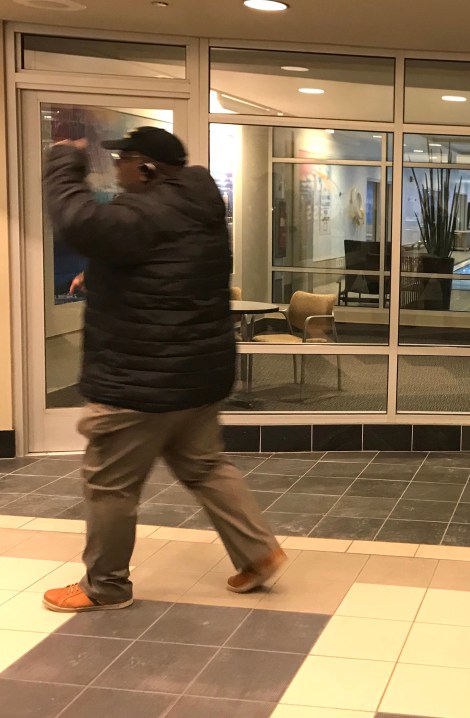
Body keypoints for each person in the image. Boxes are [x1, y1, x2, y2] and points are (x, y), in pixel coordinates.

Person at [41, 127, 284, 613]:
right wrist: (104, 273)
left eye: (124, 160)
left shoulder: (145, 210)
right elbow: (161, 263)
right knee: (206, 466)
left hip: (141, 381)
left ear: (148, 168)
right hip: (196, 377)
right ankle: (258, 555)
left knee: (109, 484)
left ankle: (104, 586)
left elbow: (77, 220)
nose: (117, 170)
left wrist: (63, 164)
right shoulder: (197, 210)